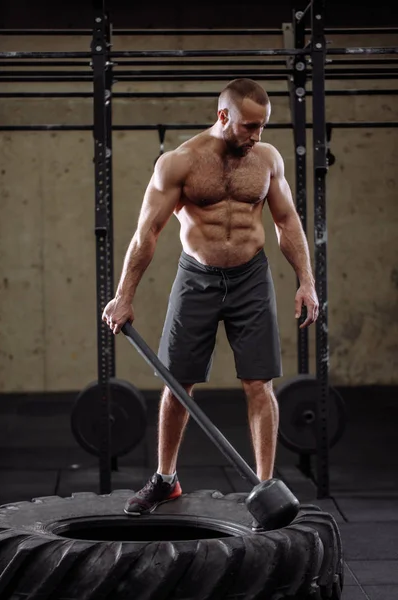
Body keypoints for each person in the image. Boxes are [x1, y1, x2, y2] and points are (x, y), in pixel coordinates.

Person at [102, 78, 319, 531]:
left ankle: (265, 486)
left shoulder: (266, 159)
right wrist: (124, 296)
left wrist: (307, 282)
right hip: (196, 278)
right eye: (249, 127)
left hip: (251, 279)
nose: (256, 136)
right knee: (178, 382)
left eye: (262, 127)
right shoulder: (178, 164)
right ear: (223, 116)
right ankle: (165, 479)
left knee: (260, 383)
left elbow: (286, 220)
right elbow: (147, 235)